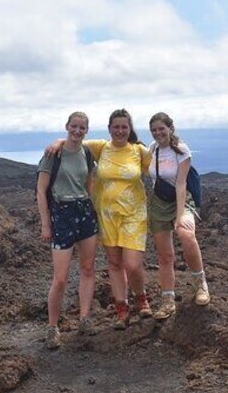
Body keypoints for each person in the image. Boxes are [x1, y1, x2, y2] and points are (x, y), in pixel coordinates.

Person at [47, 109, 153, 329]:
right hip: (106, 214)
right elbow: (75, 142)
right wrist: (58, 141)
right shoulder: (101, 148)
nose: (120, 131)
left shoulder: (139, 151)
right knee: (114, 264)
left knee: (132, 264)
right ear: (109, 129)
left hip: (133, 214)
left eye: (124, 127)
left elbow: (161, 167)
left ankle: (141, 299)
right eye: (116, 127)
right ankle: (122, 309)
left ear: (129, 128)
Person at [36, 111, 99, 349]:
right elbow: (41, 191)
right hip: (61, 213)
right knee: (60, 277)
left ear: (86, 130)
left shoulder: (86, 152)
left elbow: (89, 182)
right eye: (74, 126)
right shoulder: (54, 154)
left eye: (82, 128)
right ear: (67, 126)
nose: (77, 131)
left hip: (83, 211)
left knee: (87, 267)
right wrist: (45, 223)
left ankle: (84, 319)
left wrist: (89, 205)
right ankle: (52, 327)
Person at [146, 112, 210, 320]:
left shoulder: (181, 150)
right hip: (158, 203)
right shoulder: (152, 149)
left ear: (170, 128)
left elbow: (181, 183)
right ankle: (167, 300)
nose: (158, 133)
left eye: (161, 129)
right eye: (154, 130)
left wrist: (180, 214)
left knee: (186, 235)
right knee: (165, 255)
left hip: (181, 199)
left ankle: (200, 284)